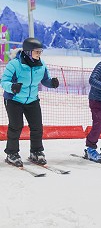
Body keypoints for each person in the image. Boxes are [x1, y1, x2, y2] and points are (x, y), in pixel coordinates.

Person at [1, 37, 59, 167]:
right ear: (28, 51)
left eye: (40, 52)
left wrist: (52, 83)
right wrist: (12, 87)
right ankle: (12, 153)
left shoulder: (41, 64)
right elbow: (3, 81)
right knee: (16, 126)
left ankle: (36, 151)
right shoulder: (14, 64)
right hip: (14, 99)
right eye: (36, 51)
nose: (39, 54)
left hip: (32, 99)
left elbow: (45, 80)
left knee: (37, 127)